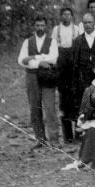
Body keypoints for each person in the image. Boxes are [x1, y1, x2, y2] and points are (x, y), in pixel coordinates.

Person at [18, 16, 59, 148]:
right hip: (32, 76)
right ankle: (40, 139)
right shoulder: (28, 42)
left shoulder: (52, 41)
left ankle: (54, 140)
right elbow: (21, 60)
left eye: (42, 25)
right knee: (35, 108)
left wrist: (32, 58)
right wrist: (40, 60)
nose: (40, 28)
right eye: (37, 25)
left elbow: (53, 58)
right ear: (34, 26)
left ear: (46, 26)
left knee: (50, 108)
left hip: (47, 76)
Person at [52, 8, 81, 143]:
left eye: (69, 14)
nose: (66, 16)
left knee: (75, 100)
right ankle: (67, 136)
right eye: (64, 14)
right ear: (61, 16)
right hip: (61, 66)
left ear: (72, 16)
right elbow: (53, 48)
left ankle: (78, 134)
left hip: (73, 67)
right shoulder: (56, 30)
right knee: (64, 102)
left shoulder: (76, 29)